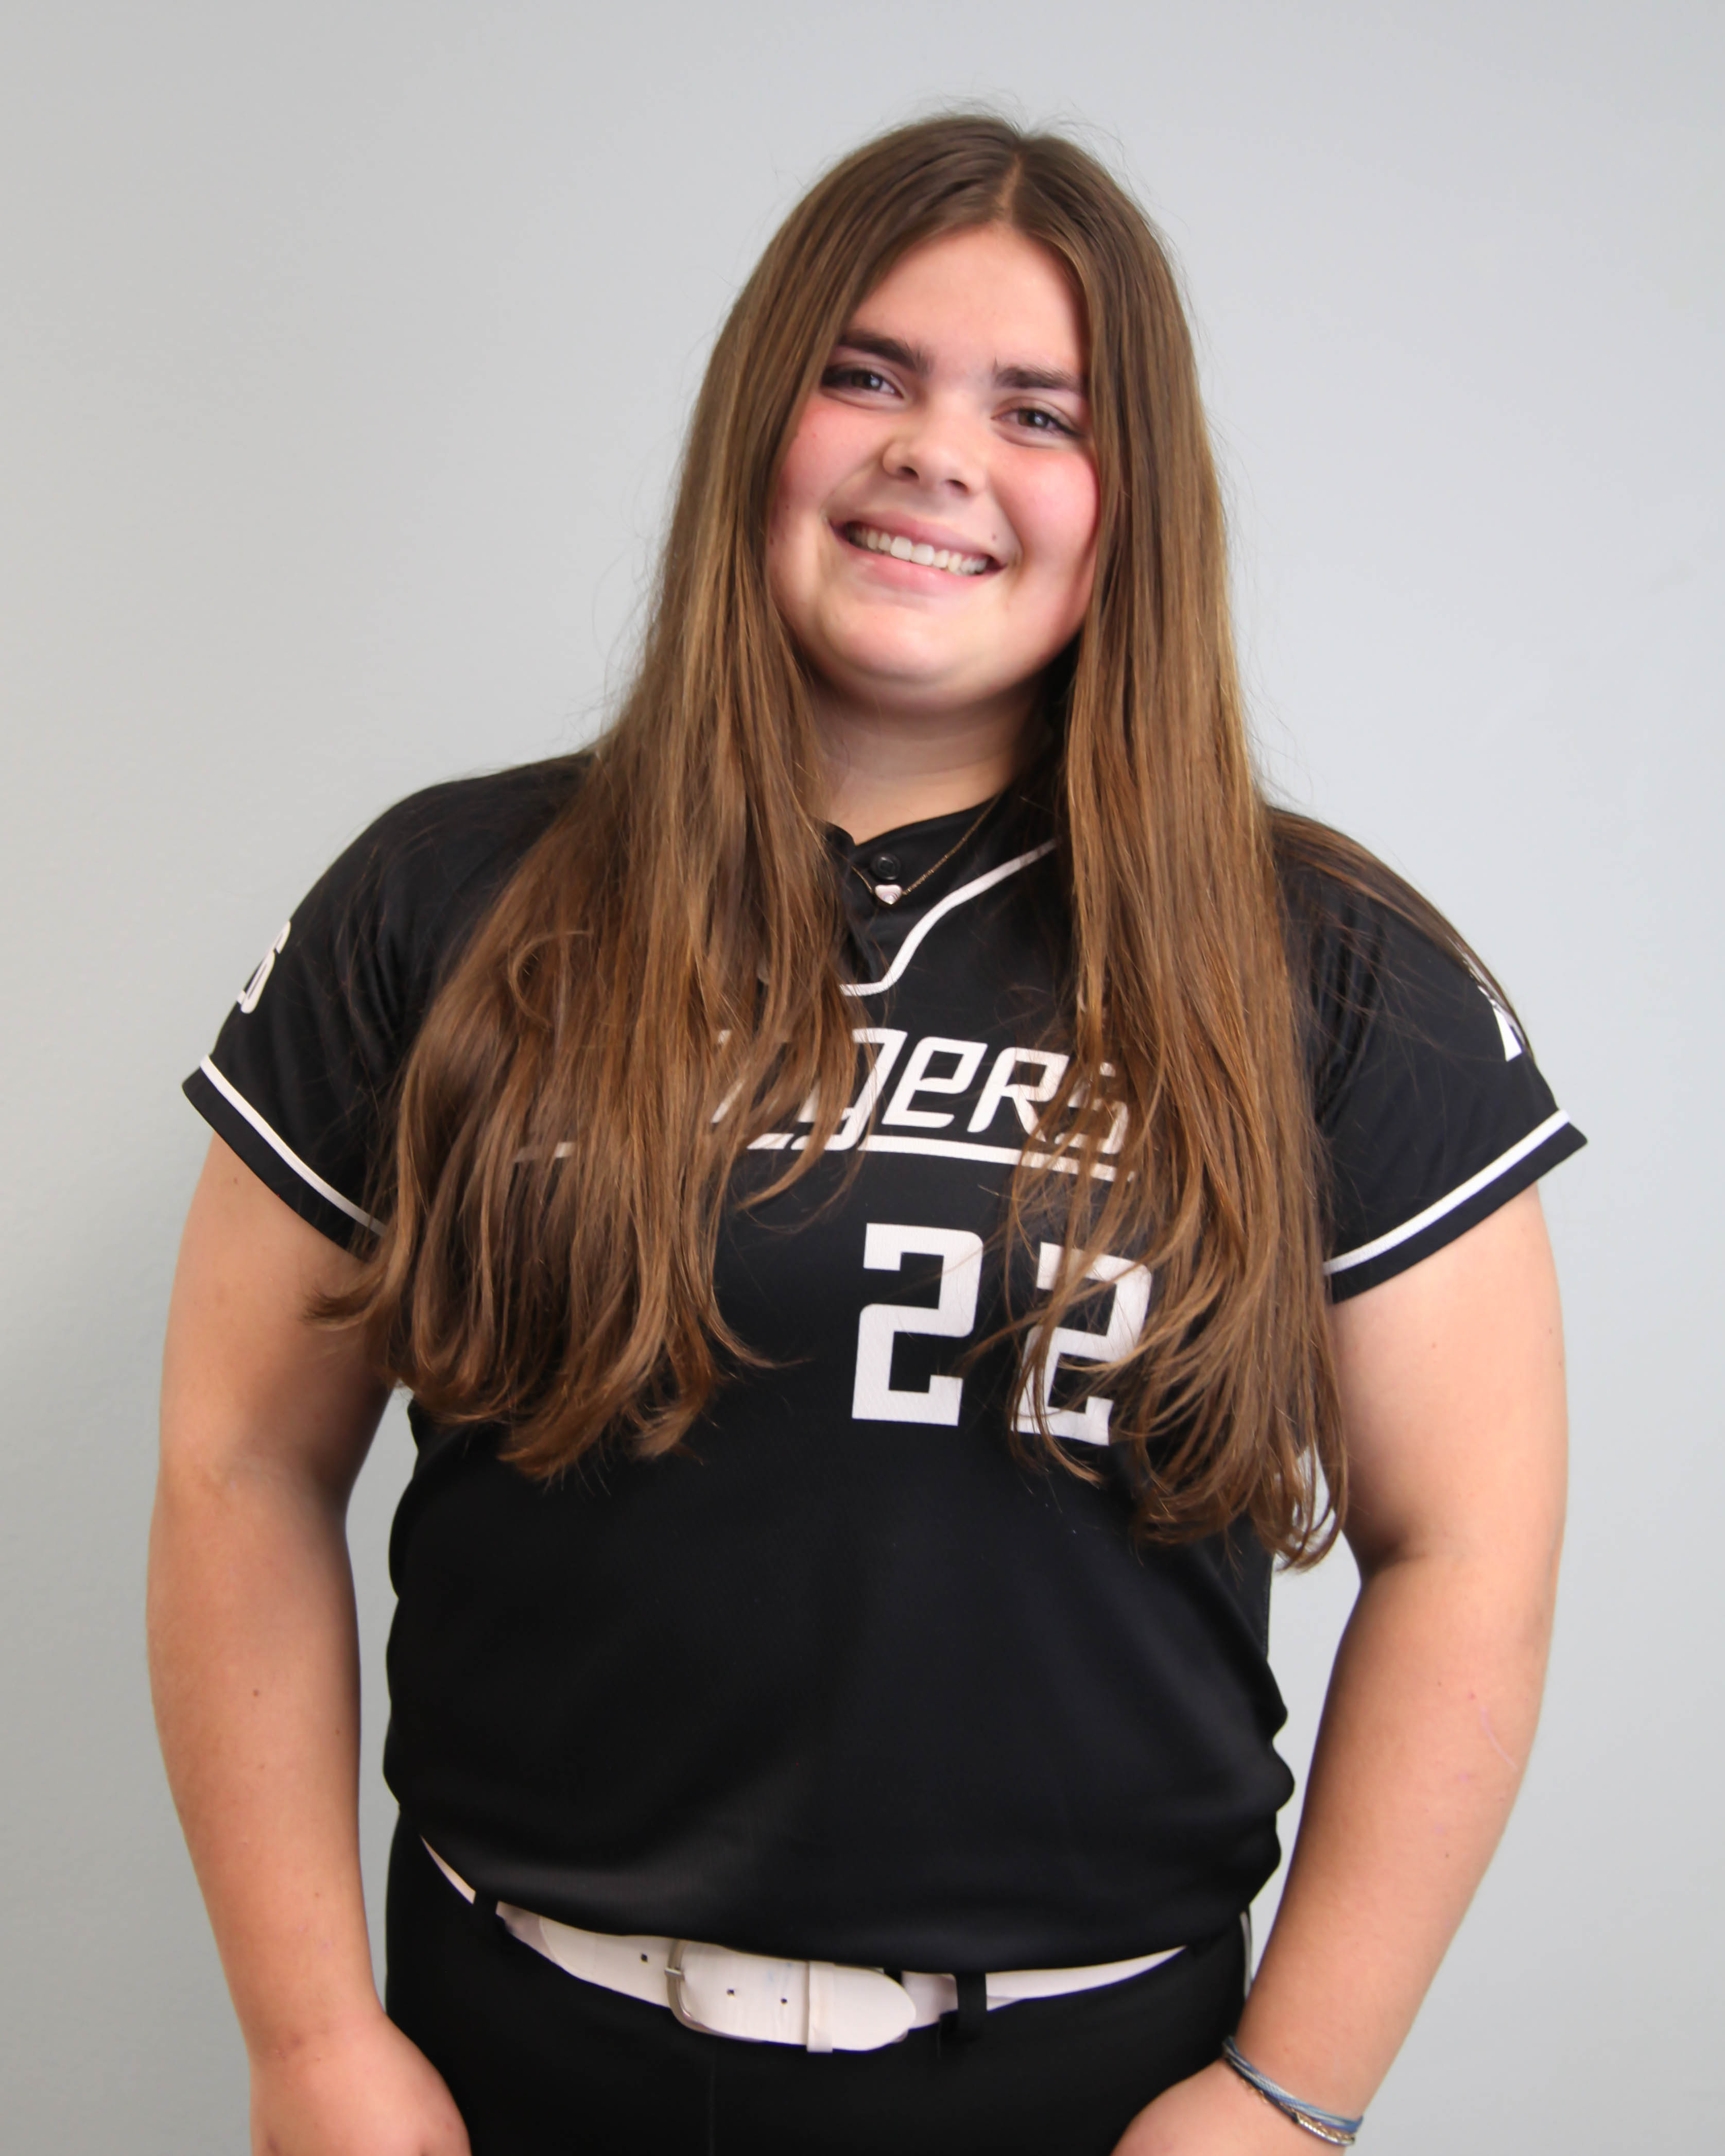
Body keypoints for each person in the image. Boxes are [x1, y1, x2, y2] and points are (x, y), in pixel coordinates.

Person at [148, 115, 1583, 2156]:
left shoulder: (1331, 968)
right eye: (866, 374)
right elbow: (237, 1460)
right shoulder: (446, 900)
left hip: (1085, 2081)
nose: (935, 452)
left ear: (1132, 499)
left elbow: (1469, 1551)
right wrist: (309, 2042)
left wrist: (1286, 2099)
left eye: (1037, 410)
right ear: (763, 420)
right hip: (509, 2046)